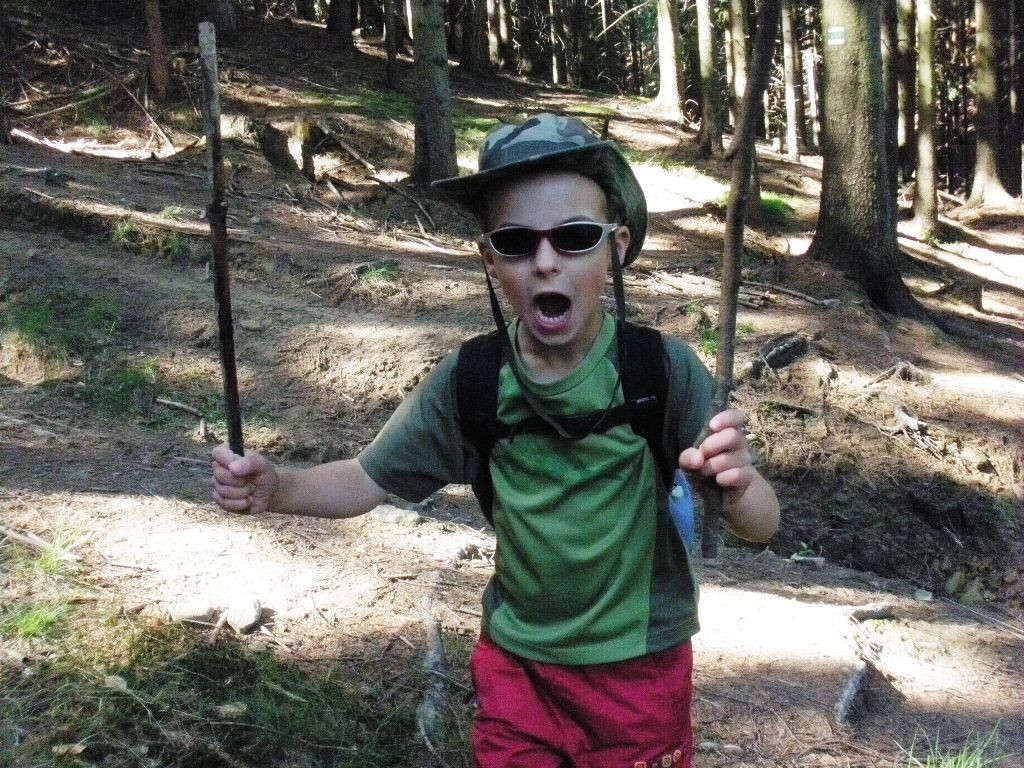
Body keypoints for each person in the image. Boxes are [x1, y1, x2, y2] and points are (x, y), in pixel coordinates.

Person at [211, 113, 780, 768]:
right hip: (518, 673)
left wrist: (735, 487)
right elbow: (366, 478)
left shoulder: (661, 370)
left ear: (615, 247)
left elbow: (763, 525)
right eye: (516, 243)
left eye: (574, 238)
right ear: (488, 258)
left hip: (640, 672)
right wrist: (278, 487)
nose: (546, 262)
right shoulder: (472, 381)